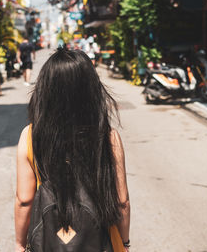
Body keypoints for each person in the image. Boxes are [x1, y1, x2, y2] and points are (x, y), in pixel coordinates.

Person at [15, 48, 130, 252]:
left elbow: (24, 200)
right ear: (92, 90)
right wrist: (125, 242)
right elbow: (121, 202)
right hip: (100, 241)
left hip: (48, 244)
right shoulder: (108, 136)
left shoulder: (31, 136)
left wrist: (20, 243)